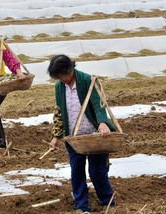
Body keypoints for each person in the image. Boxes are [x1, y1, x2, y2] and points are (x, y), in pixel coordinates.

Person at [48, 55, 115, 213]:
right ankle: (81, 205)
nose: (60, 79)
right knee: (76, 170)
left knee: (97, 171)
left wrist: (102, 123)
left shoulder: (88, 81)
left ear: (70, 70)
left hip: (94, 136)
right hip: (73, 137)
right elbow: (59, 111)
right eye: (57, 77)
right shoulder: (59, 87)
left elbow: (99, 104)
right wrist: (57, 136)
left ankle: (108, 201)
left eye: (61, 75)